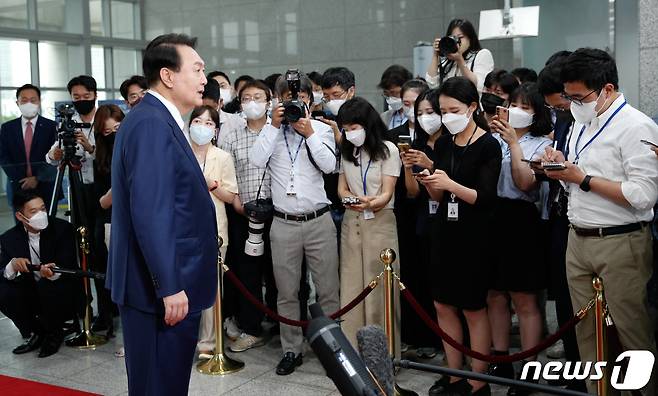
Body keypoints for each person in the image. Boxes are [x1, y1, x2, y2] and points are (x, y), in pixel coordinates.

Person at [106, 33, 218, 395]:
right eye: (197, 69)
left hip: (162, 282)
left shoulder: (157, 119)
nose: (205, 79)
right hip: (159, 289)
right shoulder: (153, 123)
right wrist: (169, 285)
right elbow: (151, 211)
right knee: (158, 385)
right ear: (168, 76)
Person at [542, 48, 658, 395]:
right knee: (587, 332)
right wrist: (561, 167)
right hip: (579, 237)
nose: (573, 104)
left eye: (579, 97)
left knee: (631, 331)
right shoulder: (580, 122)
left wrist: (582, 178)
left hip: (621, 240)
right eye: (569, 97)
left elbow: (642, 195)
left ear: (607, 89)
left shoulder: (636, 126)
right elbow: (577, 179)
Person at [250, 73, 339, 376]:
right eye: (289, 100)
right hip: (283, 223)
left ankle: (331, 349)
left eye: (301, 100)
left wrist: (309, 131)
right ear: (277, 102)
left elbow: (329, 166)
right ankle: (291, 349)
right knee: (286, 292)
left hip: (319, 220)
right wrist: (274, 126)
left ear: (310, 102)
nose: (295, 105)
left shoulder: (323, 131)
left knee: (327, 290)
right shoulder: (269, 132)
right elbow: (256, 159)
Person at [419, 77, 501, 396]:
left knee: (472, 307)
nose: (447, 116)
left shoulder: (488, 144)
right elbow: (439, 198)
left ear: (472, 108)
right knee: (442, 304)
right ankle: (454, 376)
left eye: (454, 109)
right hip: (444, 230)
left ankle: (478, 382)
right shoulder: (443, 143)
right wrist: (431, 184)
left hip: (475, 235)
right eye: (443, 110)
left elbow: (486, 198)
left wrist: (451, 185)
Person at [487, 83, 553, 394]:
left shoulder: (542, 144)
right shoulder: (493, 139)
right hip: (493, 217)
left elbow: (525, 183)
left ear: (537, 113)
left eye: (525, 107)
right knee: (495, 294)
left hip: (522, 221)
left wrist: (514, 144)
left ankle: (529, 368)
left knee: (524, 299)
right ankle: (501, 360)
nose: (516, 111)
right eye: (513, 104)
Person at [535, 52, 586, 392]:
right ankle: (573, 369)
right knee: (565, 302)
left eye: (561, 106)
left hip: (592, 220)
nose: (558, 112)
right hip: (561, 216)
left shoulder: (589, 118)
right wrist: (551, 161)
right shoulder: (564, 119)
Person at [336, 97, 401, 345]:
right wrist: (350, 200)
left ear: (367, 124)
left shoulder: (388, 149)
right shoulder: (347, 150)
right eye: (346, 128)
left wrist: (370, 203)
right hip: (352, 221)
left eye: (355, 127)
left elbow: (387, 193)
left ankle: (384, 351)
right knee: (352, 287)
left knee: (380, 290)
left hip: (380, 222)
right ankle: (352, 347)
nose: (350, 133)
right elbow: (341, 188)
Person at [218, 79, 273, 352]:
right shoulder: (231, 135)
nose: (253, 103)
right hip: (243, 212)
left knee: (281, 274)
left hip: (280, 213)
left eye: (258, 97)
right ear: (240, 103)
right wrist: (238, 203)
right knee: (247, 272)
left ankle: (283, 325)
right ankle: (251, 327)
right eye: (247, 98)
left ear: (269, 101)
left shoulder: (281, 130)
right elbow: (226, 175)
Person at [187, 105, 239, 358]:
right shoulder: (179, 153)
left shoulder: (223, 157)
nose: (202, 127)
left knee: (212, 288)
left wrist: (212, 185)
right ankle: (184, 338)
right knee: (183, 285)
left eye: (208, 123)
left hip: (215, 229)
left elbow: (230, 196)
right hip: (183, 229)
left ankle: (208, 343)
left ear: (216, 130)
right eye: (197, 121)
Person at [0, 189, 77, 358]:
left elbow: (69, 263)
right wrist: (12, 266)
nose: (41, 214)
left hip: (60, 289)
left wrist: (52, 272)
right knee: (4, 291)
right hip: (30, 290)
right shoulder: (8, 238)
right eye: (33, 212)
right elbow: (2, 272)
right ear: (20, 216)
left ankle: (54, 333)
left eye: (42, 209)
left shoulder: (62, 229)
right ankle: (36, 331)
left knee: (46, 285)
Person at [398, 87, 444, 358]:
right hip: (424, 219)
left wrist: (431, 163)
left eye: (431, 112)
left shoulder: (452, 143)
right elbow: (413, 192)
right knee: (422, 279)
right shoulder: (417, 145)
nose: (426, 118)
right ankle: (426, 337)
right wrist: (408, 166)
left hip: (454, 219)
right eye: (420, 113)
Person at [90, 104, 124, 335]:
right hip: (109, 220)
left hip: (135, 219)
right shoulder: (98, 159)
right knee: (107, 270)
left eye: (118, 129)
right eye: (108, 132)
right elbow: (101, 202)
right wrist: (115, 192)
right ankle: (107, 315)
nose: (114, 135)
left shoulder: (135, 150)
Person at [0, 84, 57, 211]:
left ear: (39, 102)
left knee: (47, 226)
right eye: (24, 100)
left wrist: (37, 178)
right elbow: (3, 157)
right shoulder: (7, 128)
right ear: (17, 102)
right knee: (21, 227)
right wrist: (22, 180)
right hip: (18, 187)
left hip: (45, 187)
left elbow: (56, 157)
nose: (29, 104)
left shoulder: (52, 127)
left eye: (33, 100)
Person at [425, 19, 494, 92]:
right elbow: (432, 84)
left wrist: (460, 60)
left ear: (470, 38)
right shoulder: (448, 61)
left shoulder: (482, 54)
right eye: (453, 38)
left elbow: (479, 86)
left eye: (460, 37)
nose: (456, 41)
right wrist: (436, 55)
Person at [379, 65, 413, 129]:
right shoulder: (383, 118)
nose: (390, 98)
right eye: (386, 94)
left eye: (394, 93)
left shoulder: (416, 116)